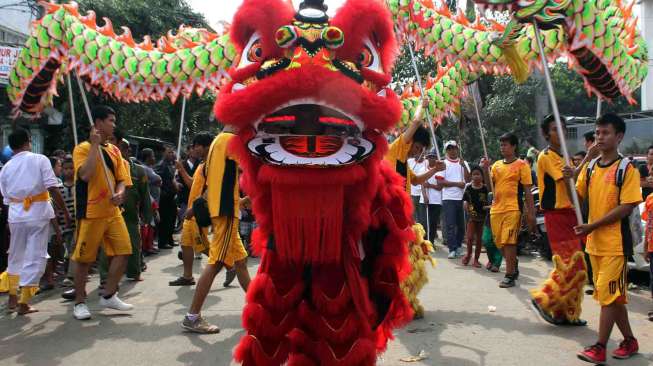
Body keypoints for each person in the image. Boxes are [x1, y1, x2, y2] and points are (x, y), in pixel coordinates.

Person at [575, 113, 641, 363]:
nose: (599, 137)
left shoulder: (627, 169)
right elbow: (576, 194)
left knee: (607, 297)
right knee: (613, 297)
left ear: (619, 136)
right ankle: (630, 341)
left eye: (606, 133)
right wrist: (580, 165)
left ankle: (599, 346)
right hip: (594, 244)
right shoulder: (591, 167)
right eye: (597, 133)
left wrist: (593, 225)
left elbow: (627, 206)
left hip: (615, 245)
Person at [182, 127, 252, 333]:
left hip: (226, 210)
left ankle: (259, 308)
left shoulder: (217, 143)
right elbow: (250, 167)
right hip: (226, 214)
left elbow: (220, 182)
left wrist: (240, 200)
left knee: (240, 262)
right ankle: (192, 316)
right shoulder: (230, 140)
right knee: (216, 263)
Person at [71, 105, 134, 320]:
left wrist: (119, 193)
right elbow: (85, 175)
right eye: (110, 121)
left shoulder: (115, 150)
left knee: (124, 252)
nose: (113, 125)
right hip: (91, 212)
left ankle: (108, 295)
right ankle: (79, 302)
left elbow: (122, 181)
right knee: (84, 260)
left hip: (113, 211)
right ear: (98, 123)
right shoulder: (82, 148)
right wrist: (94, 147)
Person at [0, 128, 70, 315]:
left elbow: (5, 199)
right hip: (37, 214)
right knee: (36, 256)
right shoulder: (40, 160)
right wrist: (65, 211)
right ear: (28, 141)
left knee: (15, 255)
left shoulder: (6, 167)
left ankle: (12, 298)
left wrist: (10, 218)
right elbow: (53, 188)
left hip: (15, 216)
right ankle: (24, 302)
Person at [529, 115, 587, 326]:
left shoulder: (565, 156)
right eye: (555, 129)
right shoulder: (547, 156)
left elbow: (574, 185)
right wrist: (589, 156)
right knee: (569, 265)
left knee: (577, 266)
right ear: (546, 134)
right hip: (557, 215)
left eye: (563, 128)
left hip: (570, 214)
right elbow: (567, 178)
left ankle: (566, 313)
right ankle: (542, 299)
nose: (560, 132)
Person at [482, 133, 536, 288]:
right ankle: (513, 263)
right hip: (496, 209)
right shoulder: (497, 165)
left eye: (505, 144)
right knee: (500, 243)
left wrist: (531, 213)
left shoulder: (522, 165)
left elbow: (527, 191)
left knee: (509, 242)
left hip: (513, 208)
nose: (502, 147)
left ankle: (509, 275)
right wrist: (486, 169)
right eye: (501, 145)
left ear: (514, 146)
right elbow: (489, 185)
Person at [99, 136, 151, 283]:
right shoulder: (106, 167)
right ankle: (105, 277)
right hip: (109, 212)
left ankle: (134, 272)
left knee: (134, 244)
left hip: (130, 215)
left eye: (123, 148)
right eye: (119, 147)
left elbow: (145, 195)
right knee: (107, 247)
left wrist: (147, 215)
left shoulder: (138, 171)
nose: (120, 151)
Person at [170, 132, 215, 287]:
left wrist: (195, 208)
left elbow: (211, 190)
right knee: (186, 243)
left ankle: (231, 265)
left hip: (198, 211)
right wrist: (182, 169)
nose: (194, 149)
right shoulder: (201, 165)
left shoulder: (212, 165)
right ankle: (187, 276)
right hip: (192, 210)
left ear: (205, 146)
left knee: (201, 245)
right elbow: (192, 185)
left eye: (196, 146)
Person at [384, 99, 445, 195]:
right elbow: (416, 121)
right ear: (410, 140)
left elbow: (416, 181)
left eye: (420, 150)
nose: (417, 152)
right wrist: (421, 106)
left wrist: (435, 170)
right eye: (417, 147)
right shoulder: (397, 148)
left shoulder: (403, 162)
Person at [437, 140, 470, 259]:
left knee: (461, 225)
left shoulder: (463, 162)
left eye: (454, 148)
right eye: (449, 148)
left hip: (461, 198)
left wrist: (464, 166)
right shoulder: (443, 163)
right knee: (450, 225)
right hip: (448, 198)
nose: (452, 150)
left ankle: (458, 247)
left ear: (457, 149)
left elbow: (468, 178)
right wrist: (457, 184)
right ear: (446, 150)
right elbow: (440, 182)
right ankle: (452, 249)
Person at [40, 157, 64, 291]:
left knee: (49, 251)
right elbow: (52, 212)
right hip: (45, 223)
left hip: (47, 223)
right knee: (46, 252)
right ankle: (48, 278)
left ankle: (48, 277)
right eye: (59, 166)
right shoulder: (47, 189)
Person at [462, 166, 489, 267]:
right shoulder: (468, 187)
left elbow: (489, 200)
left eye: (478, 174)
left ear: (482, 176)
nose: (476, 176)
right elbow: (465, 199)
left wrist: (489, 207)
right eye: (474, 174)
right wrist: (465, 204)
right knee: (469, 238)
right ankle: (468, 255)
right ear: (471, 176)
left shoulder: (485, 188)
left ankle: (476, 260)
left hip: (483, 217)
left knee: (479, 239)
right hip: (472, 217)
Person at [155, 147, 179, 249]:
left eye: (172, 152)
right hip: (165, 197)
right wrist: (164, 192)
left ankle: (170, 240)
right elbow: (158, 180)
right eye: (169, 152)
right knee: (165, 220)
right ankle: (162, 242)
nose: (171, 154)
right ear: (164, 153)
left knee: (171, 219)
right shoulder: (162, 165)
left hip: (171, 197)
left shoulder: (170, 165)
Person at [60, 157, 76, 286]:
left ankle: (72, 275)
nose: (69, 171)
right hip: (65, 225)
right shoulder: (59, 188)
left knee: (74, 249)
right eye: (66, 168)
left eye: (71, 168)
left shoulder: (79, 185)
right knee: (70, 249)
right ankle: (71, 275)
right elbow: (58, 208)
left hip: (79, 224)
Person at [421, 151, 442, 243]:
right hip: (425, 200)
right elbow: (422, 184)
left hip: (436, 200)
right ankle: (424, 242)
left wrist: (429, 186)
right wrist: (425, 196)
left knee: (433, 223)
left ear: (436, 158)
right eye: (429, 157)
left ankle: (431, 241)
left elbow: (439, 187)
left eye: (433, 157)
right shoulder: (424, 169)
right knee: (424, 222)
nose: (431, 159)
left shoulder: (440, 170)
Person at [408, 155, 428, 228]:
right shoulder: (410, 161)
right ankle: (413, 233)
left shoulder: (427, 162)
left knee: (422, 217)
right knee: (412, 215)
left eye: (422, 151)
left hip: (423, 194)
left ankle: (422, 234)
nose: (419, 154)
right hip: (412, 193)